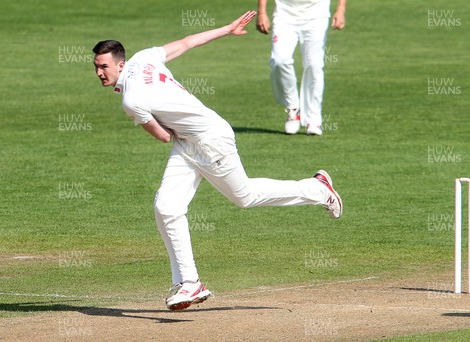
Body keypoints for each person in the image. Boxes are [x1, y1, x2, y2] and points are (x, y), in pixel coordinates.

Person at [92, 11, 343, 311]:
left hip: (210, 140)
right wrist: (226, 28)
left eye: (104, 66)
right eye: (95, 67)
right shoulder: (144, 58)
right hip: (188, 143)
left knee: (245, 197)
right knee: (166, 208)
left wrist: (177, 124)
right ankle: (189, 282)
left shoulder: (130, 100)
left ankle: (318, 189)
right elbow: (186, 43)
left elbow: (161, 136)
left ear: (120, 63)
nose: (99, 73)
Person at [256, 0, 346, 135]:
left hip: (317, 14)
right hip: (284, 13)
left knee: (314, 65)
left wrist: (341, 9)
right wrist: (262, 12)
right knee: (280, 60)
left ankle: (313, 119)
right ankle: (293, 109)